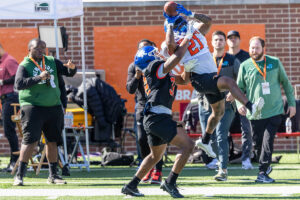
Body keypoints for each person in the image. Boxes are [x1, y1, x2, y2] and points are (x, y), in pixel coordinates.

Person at [162, 3, 263, 159]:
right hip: (200, 78)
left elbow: (208, 21)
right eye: (177, 23)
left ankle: (205, 141)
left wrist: (190, 12)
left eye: (181, 21)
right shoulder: (175, 39)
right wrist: (169, 27)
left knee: (218, 112)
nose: (182, 24)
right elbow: (170, 47)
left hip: (208, 75)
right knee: (228, 82)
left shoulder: (193, 29)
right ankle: (251, 107)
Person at [121, 21, 194, 198]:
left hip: (155, 116)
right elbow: (175, 58)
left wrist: (191, 65)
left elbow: (183, 80)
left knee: (155, 156)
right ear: (150, 57)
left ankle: (131, 185)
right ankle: (170, 183)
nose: (157, 54)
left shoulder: (157, 70)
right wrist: (188, 39)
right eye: (154, 52)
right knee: (188, 146)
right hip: (157, 117)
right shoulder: (154, 67)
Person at [13, 38, 77, 186]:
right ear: (29, 49)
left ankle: (53, 175)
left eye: (43, 48)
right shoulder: (25, 65)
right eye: (37, 48)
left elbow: (68, 73)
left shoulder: (52, 61)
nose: (41, 51)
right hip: (33, 107)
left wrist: (72, 68)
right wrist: (38, 77)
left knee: (52, 141)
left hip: (53, 107)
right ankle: (19, 175)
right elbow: (19, 84)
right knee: (30, 141)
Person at [236, 36, 296, 183]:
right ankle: (265, 165)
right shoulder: (245, 66)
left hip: (275, 111)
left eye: (256, 47)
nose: (253, 50)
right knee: (257, 144)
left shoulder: (274, 62)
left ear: (263, 48)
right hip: (255, 113)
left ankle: (262, 173)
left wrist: (292, 104)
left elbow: (286, 84)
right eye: (251, 47)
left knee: (268, 142)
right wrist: (239, 105)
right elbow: (237, 89)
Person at [197, 31, 240, 181]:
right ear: (211, 42)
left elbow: (241, 80)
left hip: (226, 105)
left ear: (224, 42)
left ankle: (223, 169)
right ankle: (215, 162)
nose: (219, 42)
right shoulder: (205, 59)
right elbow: (196, 80)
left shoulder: (232, 59)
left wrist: (234, 93)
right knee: (209, 137)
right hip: (206, 105)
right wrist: (200, 97)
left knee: (222, 135)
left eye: (221, 39)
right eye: (216, 39)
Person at [126, 39, 164, 184]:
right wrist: (137, 76)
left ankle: (158, 171)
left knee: (156, 138)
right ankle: (147, 169)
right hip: (142, 106)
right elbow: (130, 89)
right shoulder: (134, 66)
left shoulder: (159, 65)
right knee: (142, 139)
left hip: (157, 105)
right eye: (142, 49)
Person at [227, 30, 254, 170]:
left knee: (247, 130)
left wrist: (243, 99)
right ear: (227, 41)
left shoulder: (246, 57)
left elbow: (249, 80)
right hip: (227, 99)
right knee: (223, 130)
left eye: (235, 37)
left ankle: (246, 159)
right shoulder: (223, 57)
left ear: (239, 40)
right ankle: (224, 158)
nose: (233, 40)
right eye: (230, 38)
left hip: (244, 98)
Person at [0, 44, 19, 172]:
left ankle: (15, 160)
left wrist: (2, 82)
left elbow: (17, 77)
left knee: (9, 130)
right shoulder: (2, 62)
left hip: (11, 98)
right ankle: (14, 160)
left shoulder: (9, 60)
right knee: (8, 130)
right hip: (5, 98)